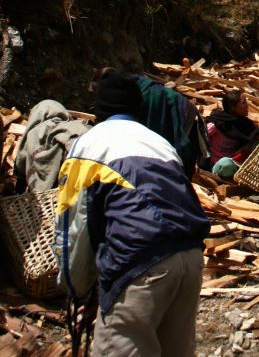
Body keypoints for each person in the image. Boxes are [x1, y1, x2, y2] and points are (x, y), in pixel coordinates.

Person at [54, 70, 210, 357]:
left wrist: (77, 290)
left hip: (141, 267)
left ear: (98, 109)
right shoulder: (160, 144)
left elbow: (75, 229)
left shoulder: (87, 147)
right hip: (191, 260)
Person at [91, 68, 209, 180]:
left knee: (178, 173)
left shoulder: (139, 95)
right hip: (177, 116)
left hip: (184, 121)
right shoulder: (128, 89)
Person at [205, 90, 259, 178]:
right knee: (225, 164)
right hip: (220, 165)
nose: (247, 105)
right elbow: (200, 137)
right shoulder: (218, 123)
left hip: (238, 163)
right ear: (233, 108)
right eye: (243, 103)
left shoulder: (244, 124)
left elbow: (255, 135)